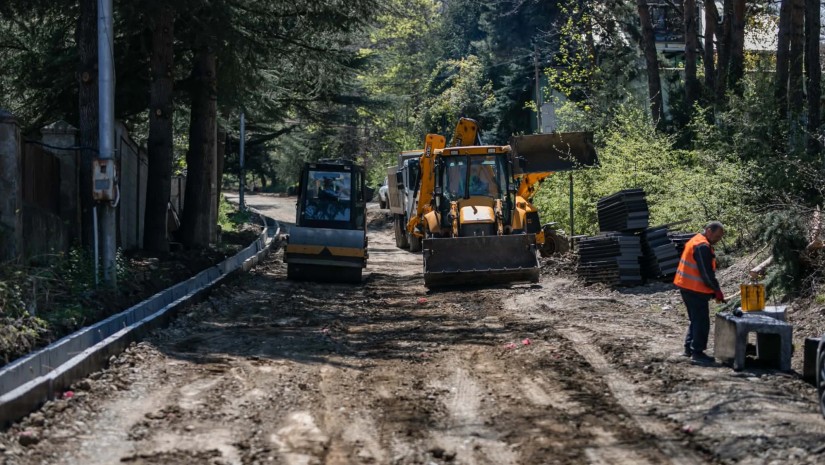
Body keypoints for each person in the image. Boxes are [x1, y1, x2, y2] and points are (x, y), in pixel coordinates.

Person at [674, 221, 726, 365]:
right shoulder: (702, 246)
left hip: (686, 286)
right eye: (717, 236)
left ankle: (689, 349)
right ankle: (697, 352)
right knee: (702, 321)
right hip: (694, 289)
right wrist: (716, 290)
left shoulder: (696, 240)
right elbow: (706, 273)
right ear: (709, 230)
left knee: (695, 319)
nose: (718, 239)